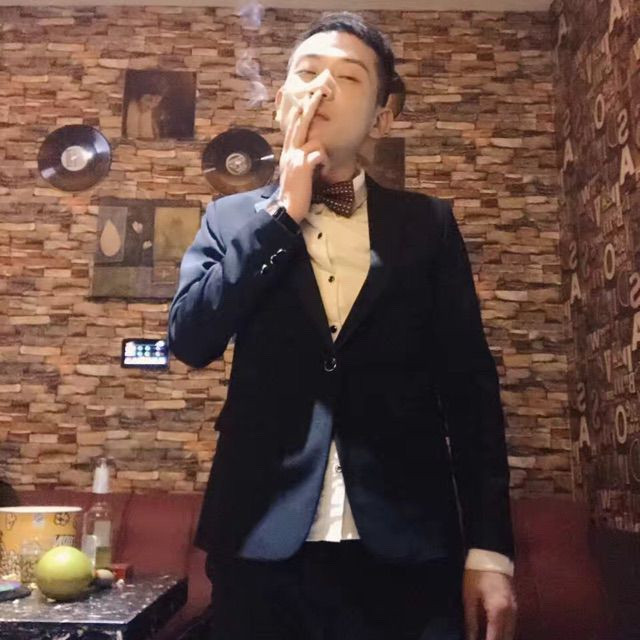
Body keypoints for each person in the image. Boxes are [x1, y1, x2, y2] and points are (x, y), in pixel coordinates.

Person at [168, 11, 517, 640]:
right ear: (282, 101)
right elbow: (191, 340)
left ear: (382, 117)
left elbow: (470, 389)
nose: (322, 87)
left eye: (349, 77)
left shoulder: (429, 225)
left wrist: (490, 551)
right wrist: (282, 215)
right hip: (259, 544)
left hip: (409, 548)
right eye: (307, 74)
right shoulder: (228, 219)